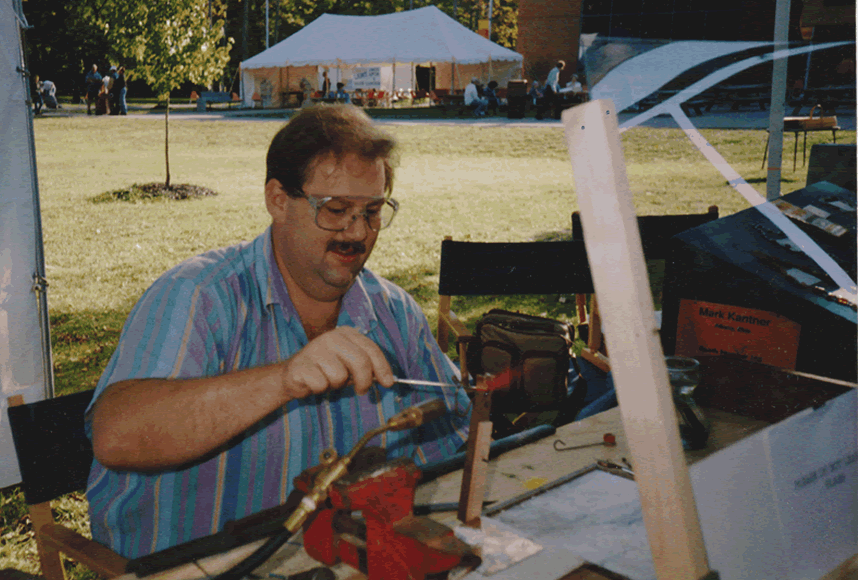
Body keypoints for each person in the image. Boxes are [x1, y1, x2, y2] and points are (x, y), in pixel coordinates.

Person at [85, 104, 470, 559]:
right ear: (278, 201)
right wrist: (283, 379)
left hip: (339, 559)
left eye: (372, 211)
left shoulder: (394, 313)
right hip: (200, 567)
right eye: (336, 209)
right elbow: (117, 434)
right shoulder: (200, 297)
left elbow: (458, 441)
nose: (358, 232)